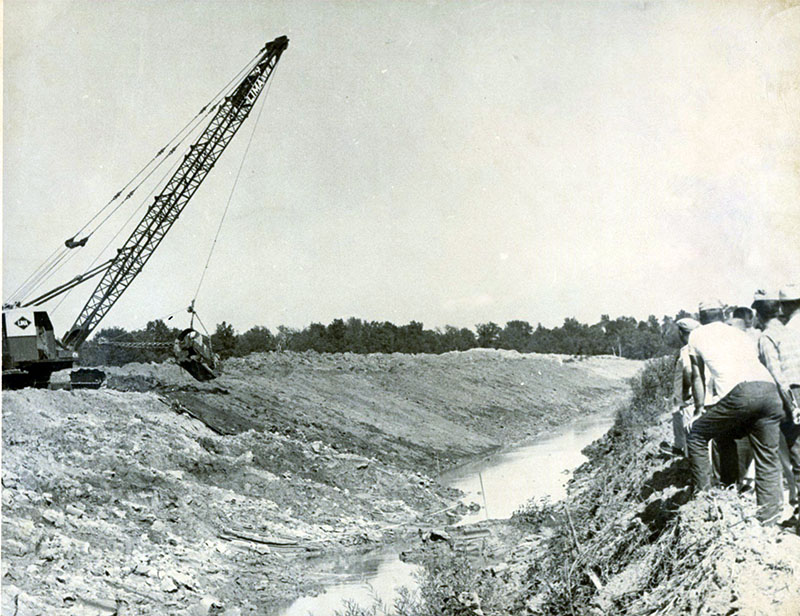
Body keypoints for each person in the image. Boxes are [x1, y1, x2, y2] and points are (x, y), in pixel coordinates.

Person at [686, 299, 784, 524]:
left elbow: (696, 376)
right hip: (769, 390)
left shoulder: (697, 335)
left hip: (741, 394)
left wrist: (700, 409)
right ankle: (769, 520)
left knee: (697, 434)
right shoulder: (740, 334)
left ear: (701, 317)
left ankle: (706, 502)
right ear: (722, 314)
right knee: (766, 457)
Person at [758, 286, 800, 518]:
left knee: (797, 452)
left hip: (793, 393)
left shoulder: (769, 336)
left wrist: (792, 405)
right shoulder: (790, 330)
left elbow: (778, 376)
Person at [669, 317, 701, 456]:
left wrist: (686, 393)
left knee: (691, 436)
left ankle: (689, 467)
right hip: (694, 398)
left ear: (682, 333)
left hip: (689, 401)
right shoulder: (700, 347)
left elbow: (688, 372)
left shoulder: (687, 350)